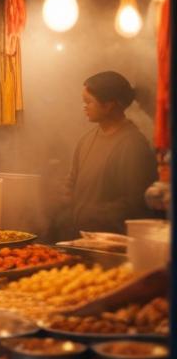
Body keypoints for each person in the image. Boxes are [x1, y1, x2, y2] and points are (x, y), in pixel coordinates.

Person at [59, 71, 158, 236]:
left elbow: (134, 204)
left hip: (112, 243)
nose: (84, 106)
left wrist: (90, 214)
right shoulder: (87, 140)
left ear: (109, 104)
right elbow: (72, 182)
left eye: (88, 102)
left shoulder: (132, 145)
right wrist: (65, 194)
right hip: (83, 238)